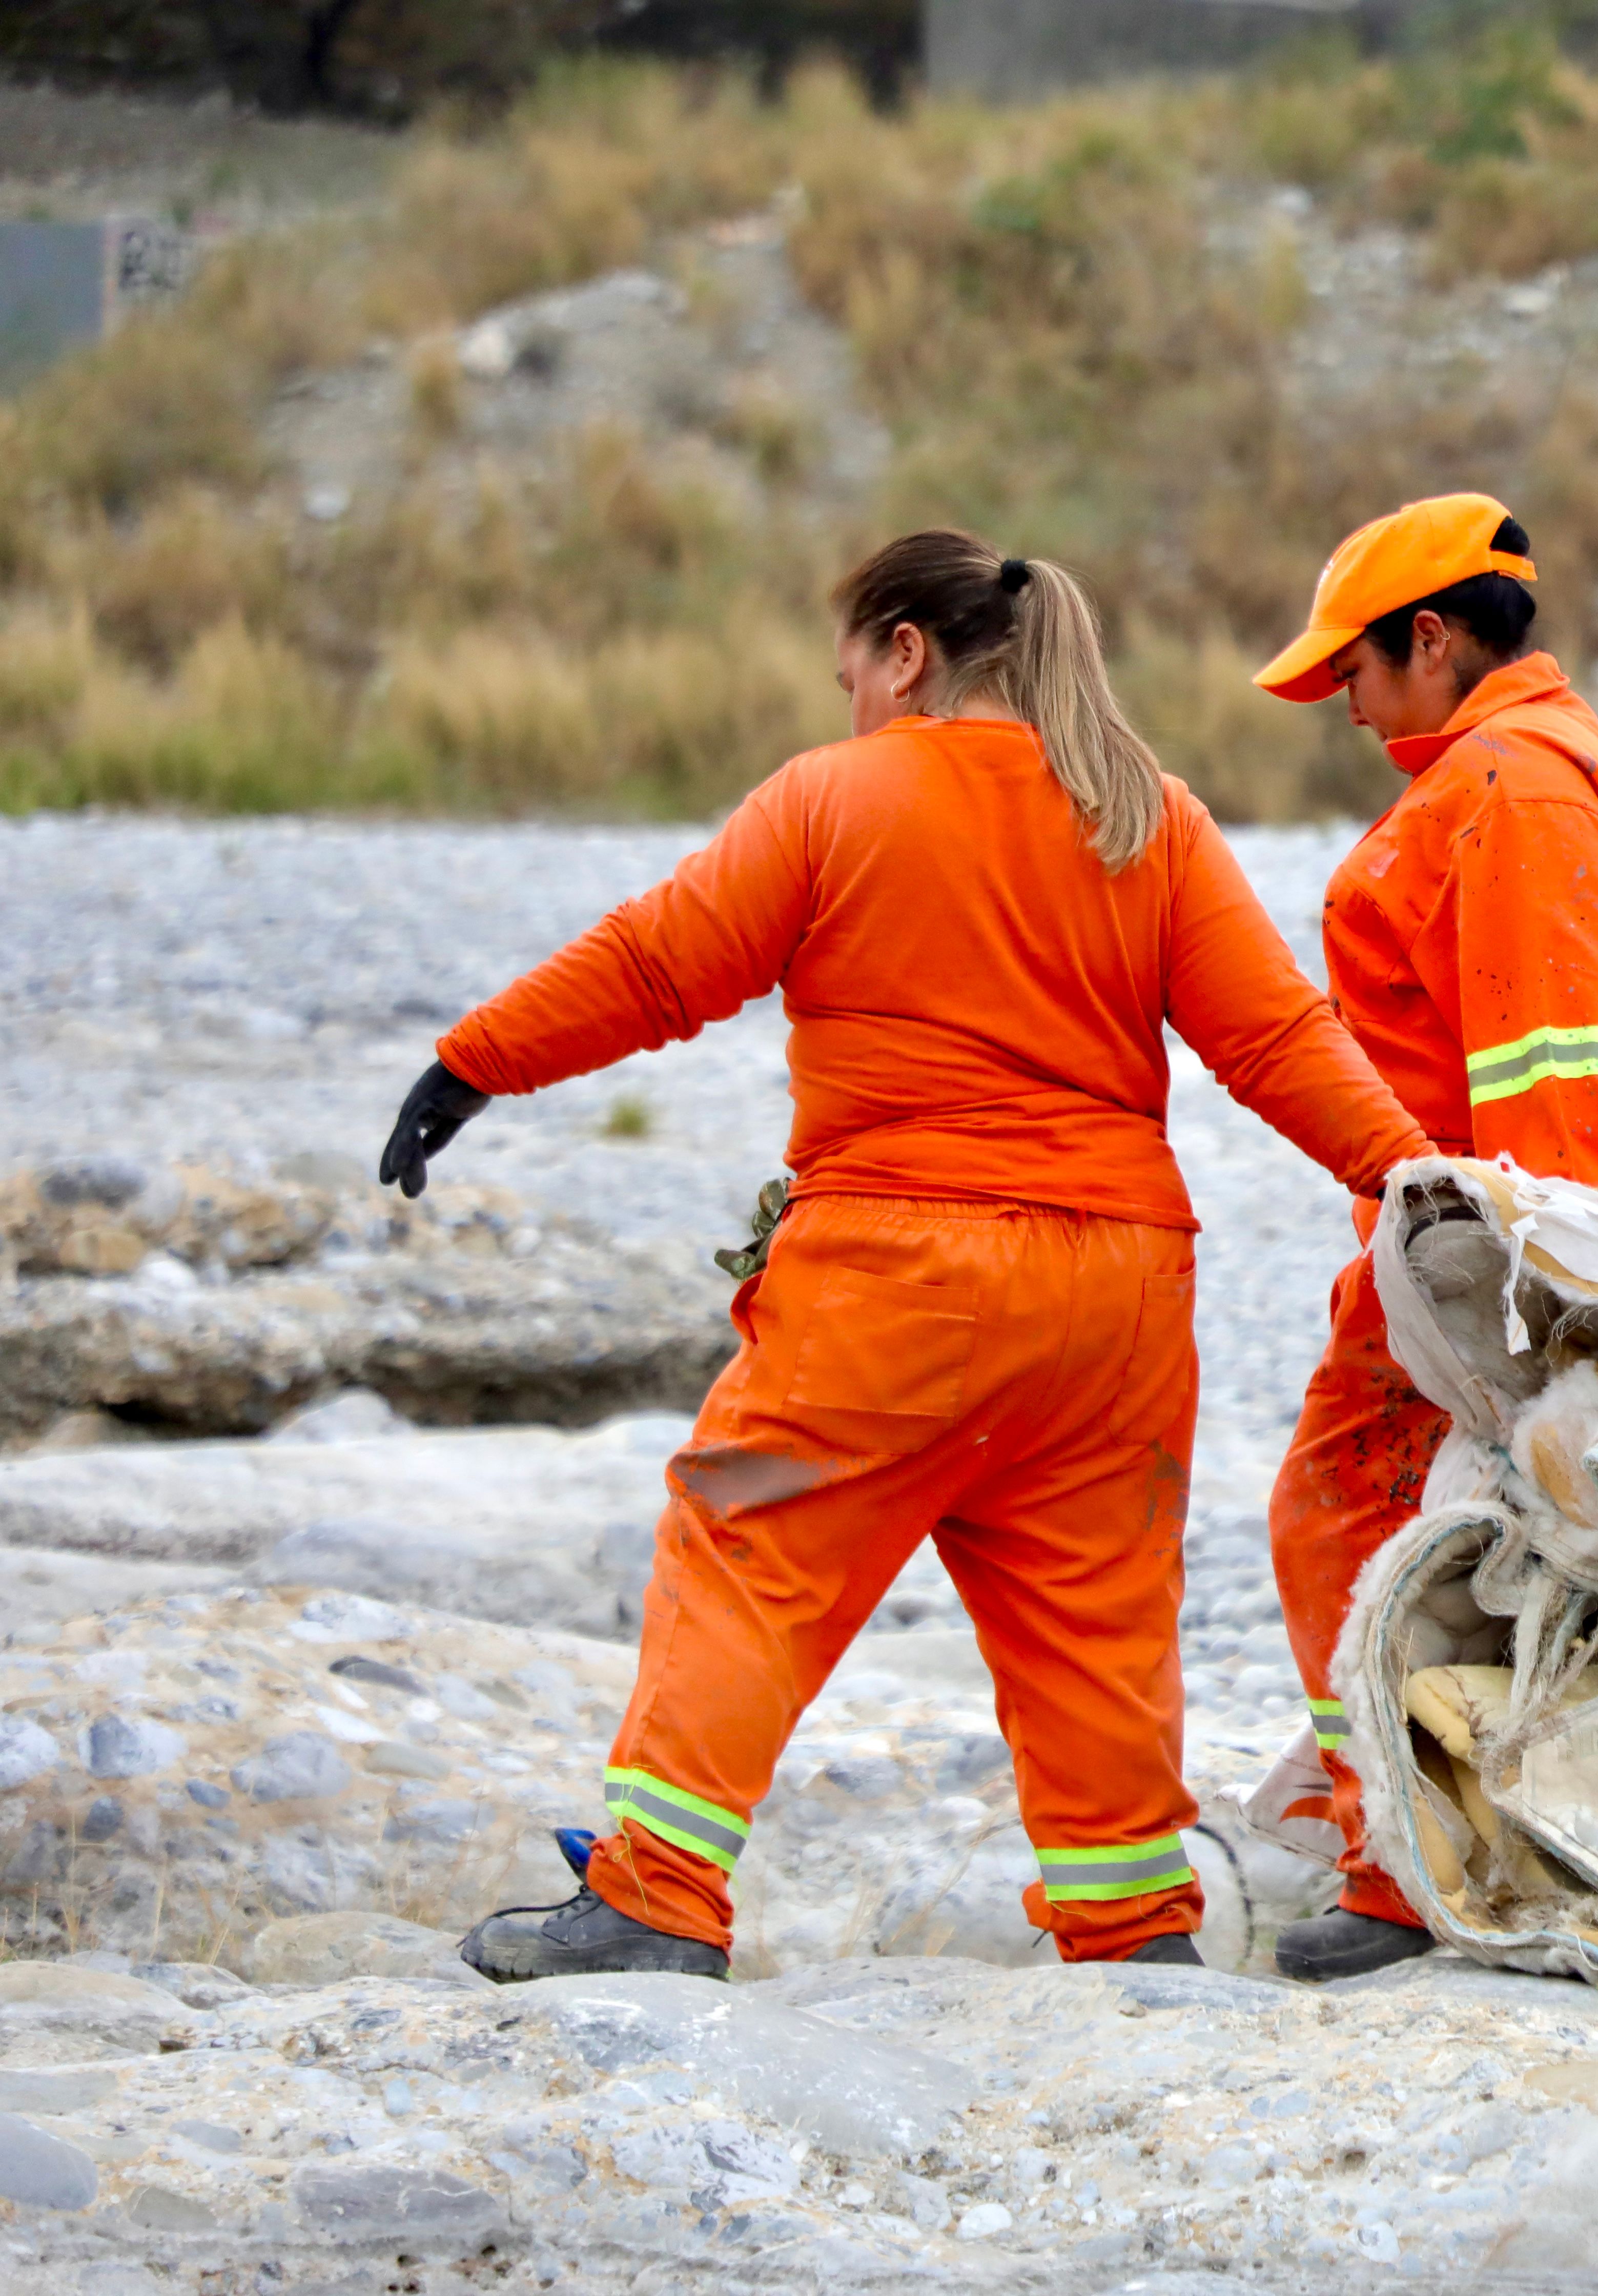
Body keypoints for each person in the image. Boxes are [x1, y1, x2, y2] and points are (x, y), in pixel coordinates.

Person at [385, 530, 1437, 1981]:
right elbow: (1276, 1040)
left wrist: (471, 1064)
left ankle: (653, 1899)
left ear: (905, 652)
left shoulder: (836, 797)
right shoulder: (1149, 812)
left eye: (853, 674)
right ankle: (1133, 1938)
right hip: (1117, 1297)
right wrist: (1411, 1180)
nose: (851, 705)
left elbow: (657, 964)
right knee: (1096, 1626)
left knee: (745, 1549)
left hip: (900, 1275)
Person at [1252, 492, 1598, 1982]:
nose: (1348, 708)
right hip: (1479, 1244)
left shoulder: (1506, 790)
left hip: (1486, 1256)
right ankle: (1445, 1840)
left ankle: (1406, 1872)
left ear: (1432, 637)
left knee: (1355, 1526)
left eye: (1357, 675)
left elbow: (1551, 1083)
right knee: (1446, 1549)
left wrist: (1548, 1316)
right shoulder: (1521, 769)